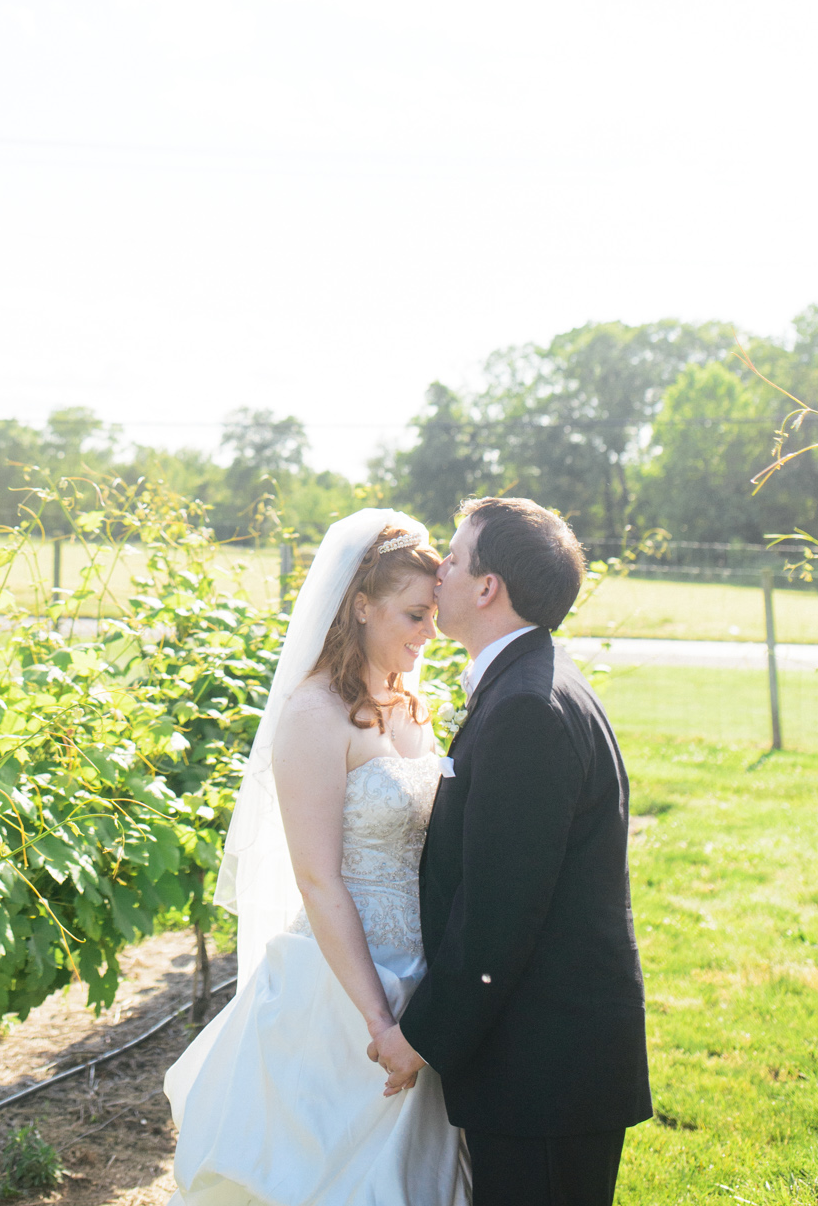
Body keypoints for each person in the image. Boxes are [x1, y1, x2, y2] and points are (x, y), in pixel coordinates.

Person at [165, 510, 470, 1206]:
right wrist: (379, 1021)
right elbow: (316, 877)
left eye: (433, 616)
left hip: (424, 975)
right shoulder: (312, 714)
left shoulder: (414, 701)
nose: (430, 633)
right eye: (414, 616)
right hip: (343, 985)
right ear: (359, 606)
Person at [372, 496, 653, 1206]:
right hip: (542, 1063)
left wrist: (421, 1036)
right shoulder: (529, 683)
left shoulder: (527, 706)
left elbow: (500, 911)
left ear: (487, 587)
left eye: (454, 559)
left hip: (545, 1073)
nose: (438, 571)